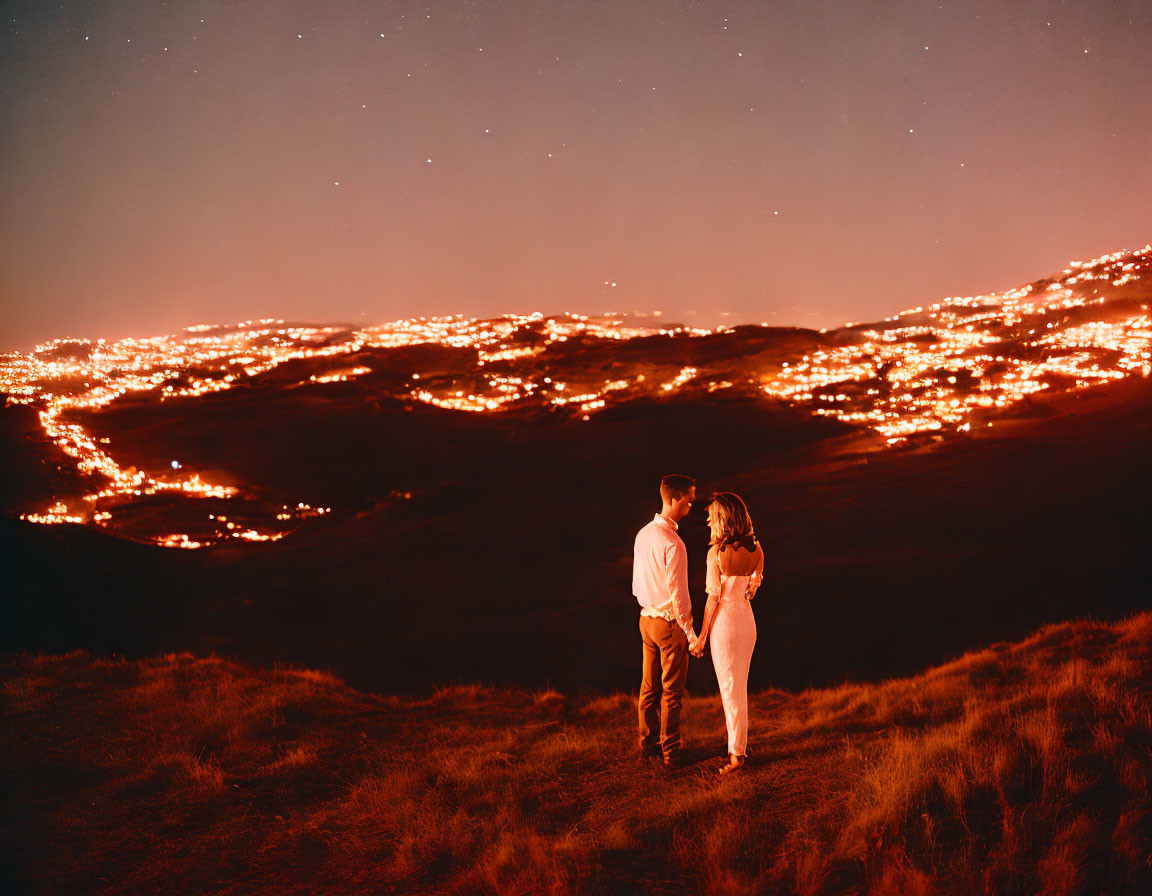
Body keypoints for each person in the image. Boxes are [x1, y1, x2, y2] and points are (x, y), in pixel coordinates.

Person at [691, 492, 764, 774]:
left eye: (712, 518)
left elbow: (713, 599)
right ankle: (738, 746)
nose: (708, 522)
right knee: (738, 687)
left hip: (726, 623)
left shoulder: (716, 554)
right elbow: (752, 589)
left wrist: (701, 636)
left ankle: (737, 755)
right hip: (747, 620)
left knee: (730, 689)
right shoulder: (757, 550)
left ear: (723, 519)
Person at [633, 474, 699, 768]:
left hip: (645, 619)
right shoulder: (673, 543)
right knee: (671, 692)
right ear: (675, 499)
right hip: (669, 625)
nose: (691, 505)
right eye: (689, 499)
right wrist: (691, 633)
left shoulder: (643, 534)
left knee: (649, 686)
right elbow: (679, 595)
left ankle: (647, 744)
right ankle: (671, 752)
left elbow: (637, 583)